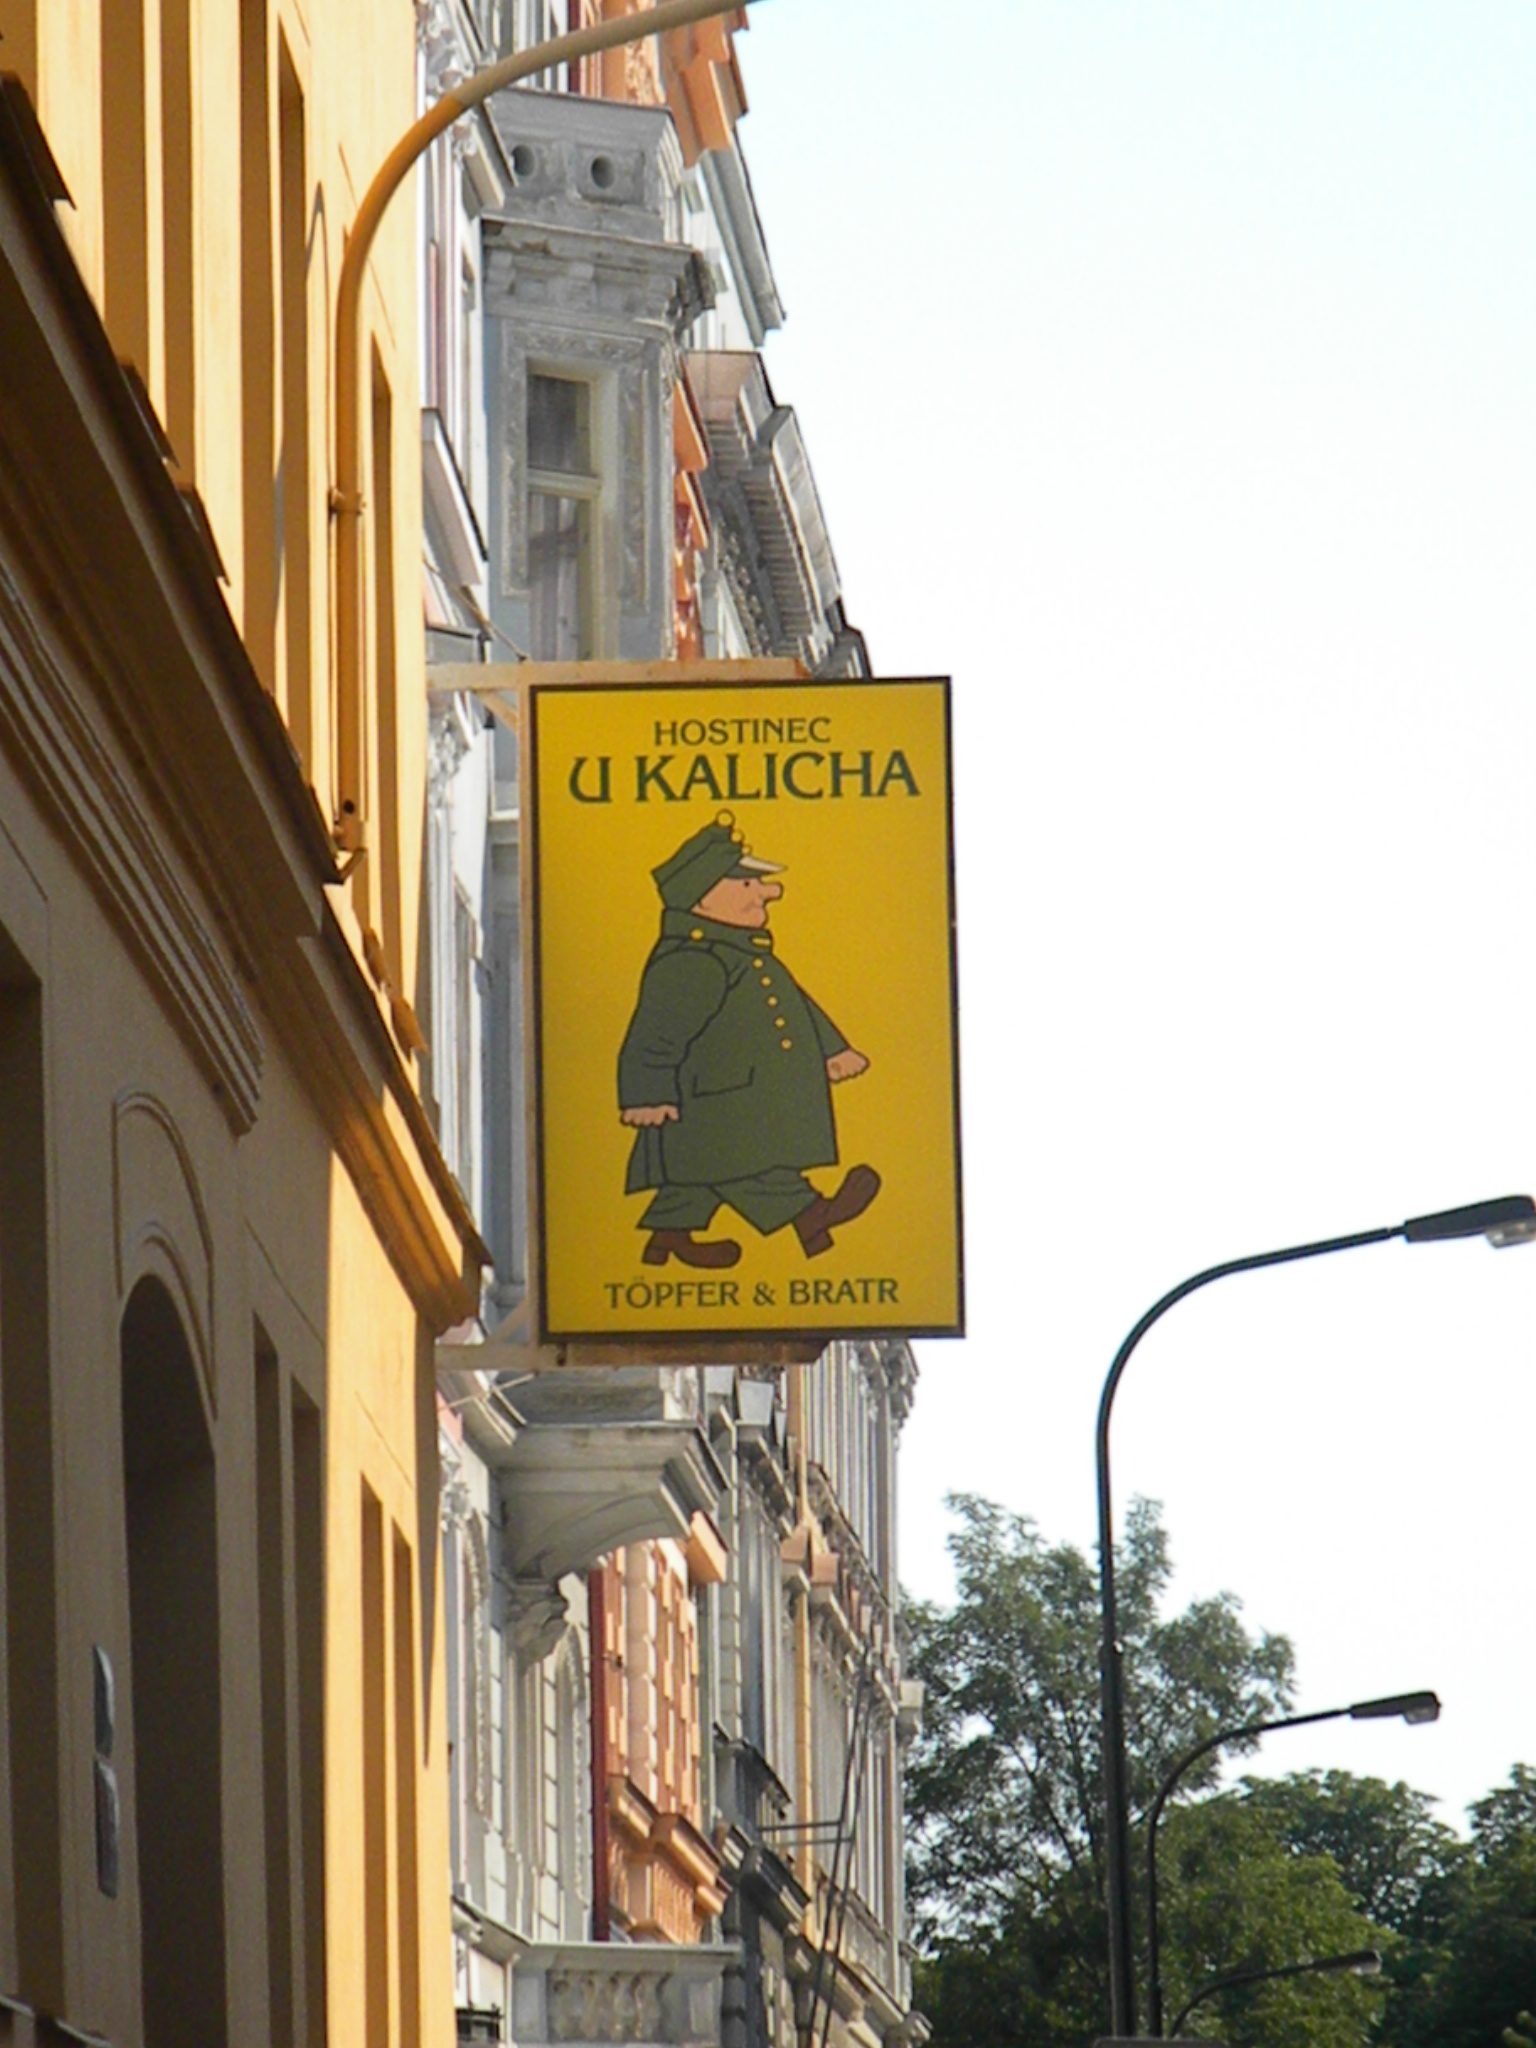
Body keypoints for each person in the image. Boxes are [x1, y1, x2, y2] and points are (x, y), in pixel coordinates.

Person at [617, 815, 878, 1270]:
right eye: (747, 885)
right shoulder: (694, 961)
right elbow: (655, 1030)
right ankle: (812, 1216)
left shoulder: (743, 951)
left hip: (734, 1100)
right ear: (703, 898)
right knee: (753, 1171)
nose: (766, 892)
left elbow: (798, 1006)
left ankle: (667, 1239)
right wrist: (647, 1092)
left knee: (694, 1180)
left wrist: (832, 1049)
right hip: (718, 1104)